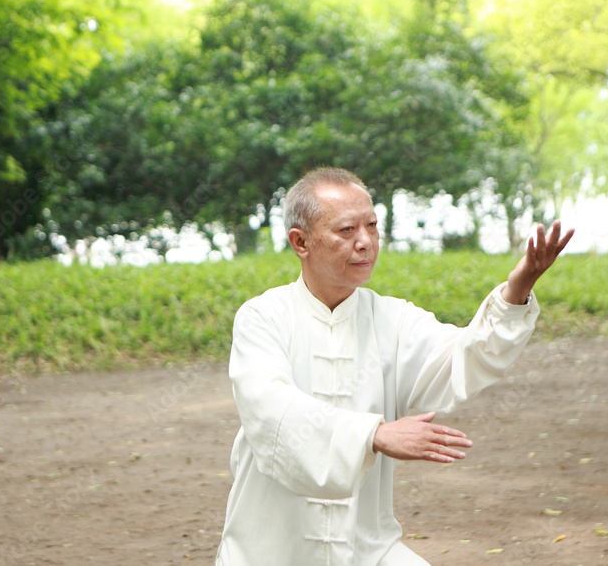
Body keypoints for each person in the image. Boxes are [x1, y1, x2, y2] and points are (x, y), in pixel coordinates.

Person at [215, 167, 574, 565]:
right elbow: (270, 407)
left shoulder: (394, 321)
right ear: (301, 242)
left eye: (372, 226)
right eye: (347, 230)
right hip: (269, 553)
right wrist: (374, 434)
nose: (365, 242)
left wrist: (517, 288)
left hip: (364, 549)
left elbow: (467, 356)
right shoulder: (263, 317)